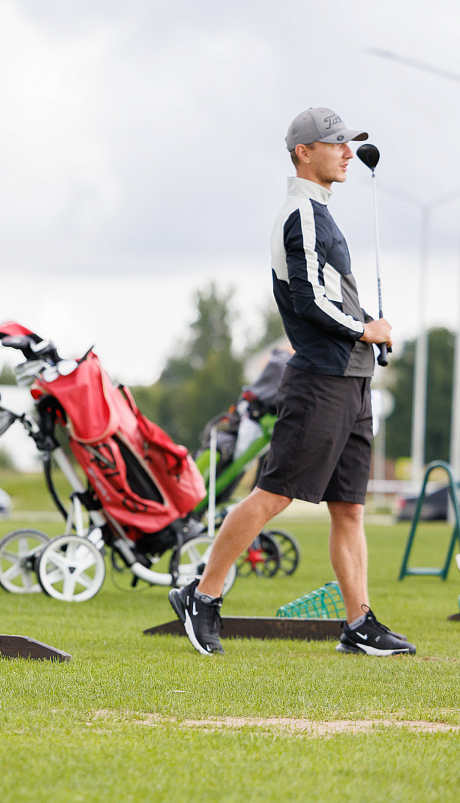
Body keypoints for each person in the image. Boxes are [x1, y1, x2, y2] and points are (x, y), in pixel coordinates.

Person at [170, 107, 415, 656]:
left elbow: (330, 294)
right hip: (319, 380)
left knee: (349, 506)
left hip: (352, 378)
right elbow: (307, 300)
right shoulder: (299, 213)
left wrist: (363, 333)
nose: (347, 152)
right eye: (336, 144)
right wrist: (365, 327)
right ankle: (202, 596)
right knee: (275, 494)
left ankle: (359, 624)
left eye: (349, 144)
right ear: (304, 151)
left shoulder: (323, 212)